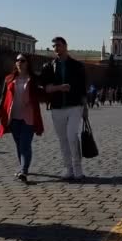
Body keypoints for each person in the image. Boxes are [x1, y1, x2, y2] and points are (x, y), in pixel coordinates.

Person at [40, 37, 88, 180]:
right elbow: (47, 89)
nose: (56, 49)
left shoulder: (77, 66)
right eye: (54, 46)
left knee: (72, 136)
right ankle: (69, 169)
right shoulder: (48, 67)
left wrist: (85, 108)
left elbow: (83, 89)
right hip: (57, 107)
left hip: (75, 106)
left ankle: (78, 169)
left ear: (66, 46)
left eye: (59, 45)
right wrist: (60, 88)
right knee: (63, 139)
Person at [0, 54, 44, 183]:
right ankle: (22, 168)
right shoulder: (9, 79)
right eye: (17, 60)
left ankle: (24, 171)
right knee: (19, 146)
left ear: (27, 63)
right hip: (14, 117)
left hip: (29, 117)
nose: (19, 62)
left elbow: (42, 93)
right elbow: (3, 98)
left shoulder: (34, 79)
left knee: (25, 145)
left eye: (22, 60)